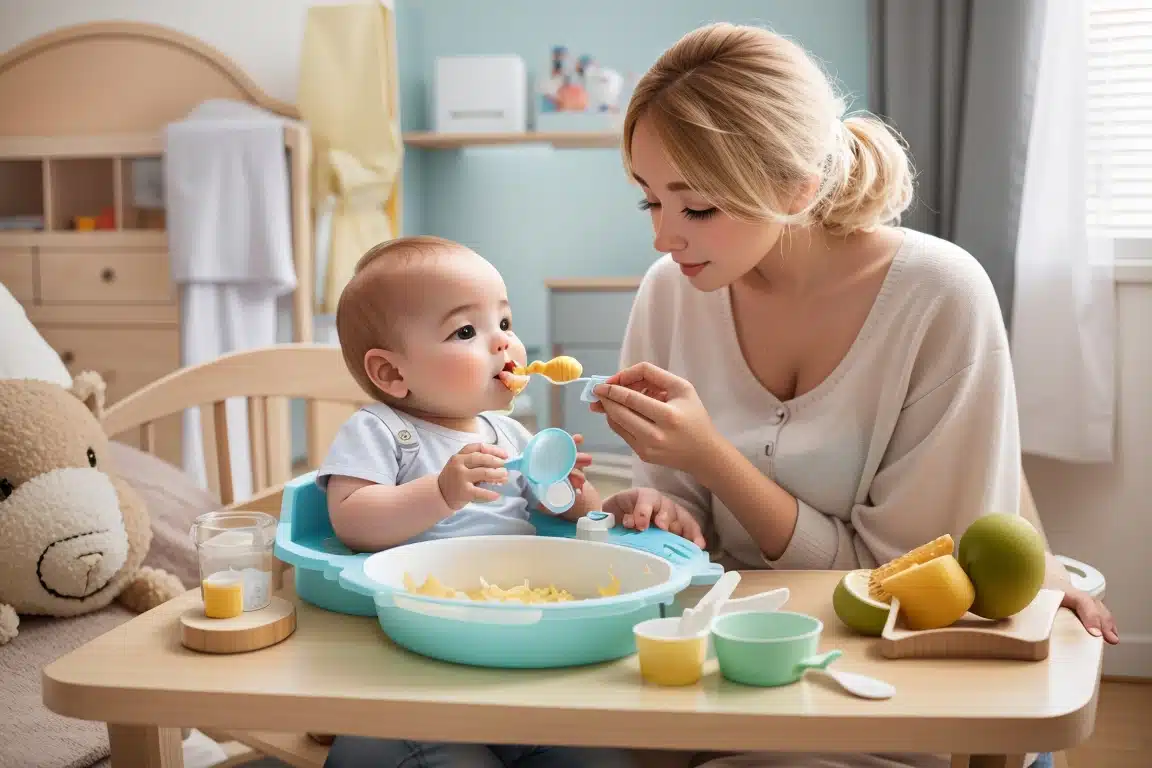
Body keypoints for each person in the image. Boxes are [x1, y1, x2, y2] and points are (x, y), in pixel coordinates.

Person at [584, 22, 1118, 768]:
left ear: (798, 187)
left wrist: (712, 458)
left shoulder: (938, 298)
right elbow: (685, 543)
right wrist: (655, 513)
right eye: (649, 203)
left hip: (885, 687)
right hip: (720, 676)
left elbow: (897, 587)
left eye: (696, 207)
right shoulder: (671, 294)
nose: (664, 239)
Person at [319, 235, 637, 768]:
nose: (503, 346)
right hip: (422, 647)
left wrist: (569, 490)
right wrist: (439, 492)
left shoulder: (509, 432)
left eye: (505, 324)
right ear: (392, 374)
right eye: (466, 331)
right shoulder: (381, 430)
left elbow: (562, 512)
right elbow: (351, 518)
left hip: (519, 636)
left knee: (602, 755)